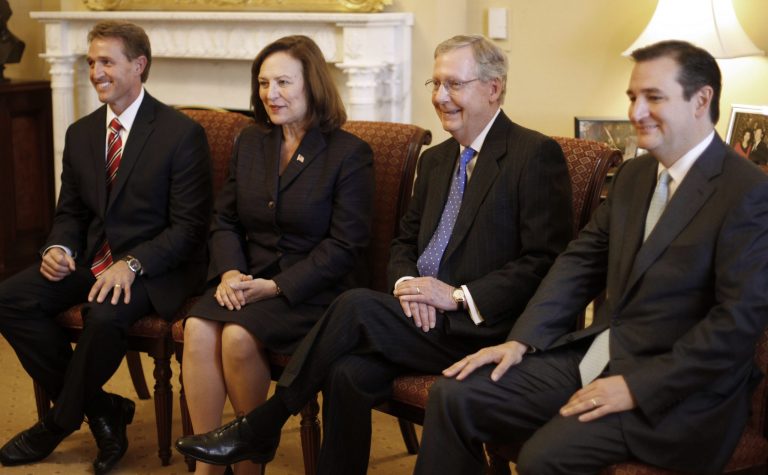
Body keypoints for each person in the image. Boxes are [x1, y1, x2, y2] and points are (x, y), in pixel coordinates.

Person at [175, 34, 573, 475]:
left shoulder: (533, 154)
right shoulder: (438, 159)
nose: (441, 97)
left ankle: (264, 423)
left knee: (356, 302)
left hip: (478, 329)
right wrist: (406, 287)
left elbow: (543, 261)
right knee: (346, 373)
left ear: (493, 88)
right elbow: (403, 243)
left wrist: (455, 296)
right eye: (435, 84)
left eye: (454, 85)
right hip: (417, 320)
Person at [414, 40, 768, 475]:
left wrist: (637, 388)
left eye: (653, 97)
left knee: (543, 456)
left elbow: (735, 324)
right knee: (454, 396)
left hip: (681, 395)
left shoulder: (748, 191)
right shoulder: (635, 175)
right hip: (599, 355)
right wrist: (520, 341)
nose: (636, 112)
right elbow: (578, 263)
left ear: (701, 100)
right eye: (633, 97)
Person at [0, 20, 211, 474]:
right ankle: (101, 409)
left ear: (139, 66)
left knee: (106, 313)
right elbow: (71, 213)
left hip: (157, 265)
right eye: (92, 61)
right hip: (94, 257)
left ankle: (56, 423)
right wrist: (58, 248)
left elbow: (189, 228)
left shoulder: (181, 134)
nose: (96, 71)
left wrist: (132, 264)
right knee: (10, 299)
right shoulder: (81, 133)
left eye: (107, 62)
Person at [181, 35, 374, 475]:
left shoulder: (349, 153)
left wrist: (276, 286)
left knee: (236, 336)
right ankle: (206, 467)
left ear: (313, 86)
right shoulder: (251, 142)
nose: (271, 94)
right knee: (197, 327)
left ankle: (250, 465)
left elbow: (346, 246)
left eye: (284, 82)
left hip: (313, 292)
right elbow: (224, 220)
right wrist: (230, 272)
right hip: (246, 280)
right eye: (264, 82)